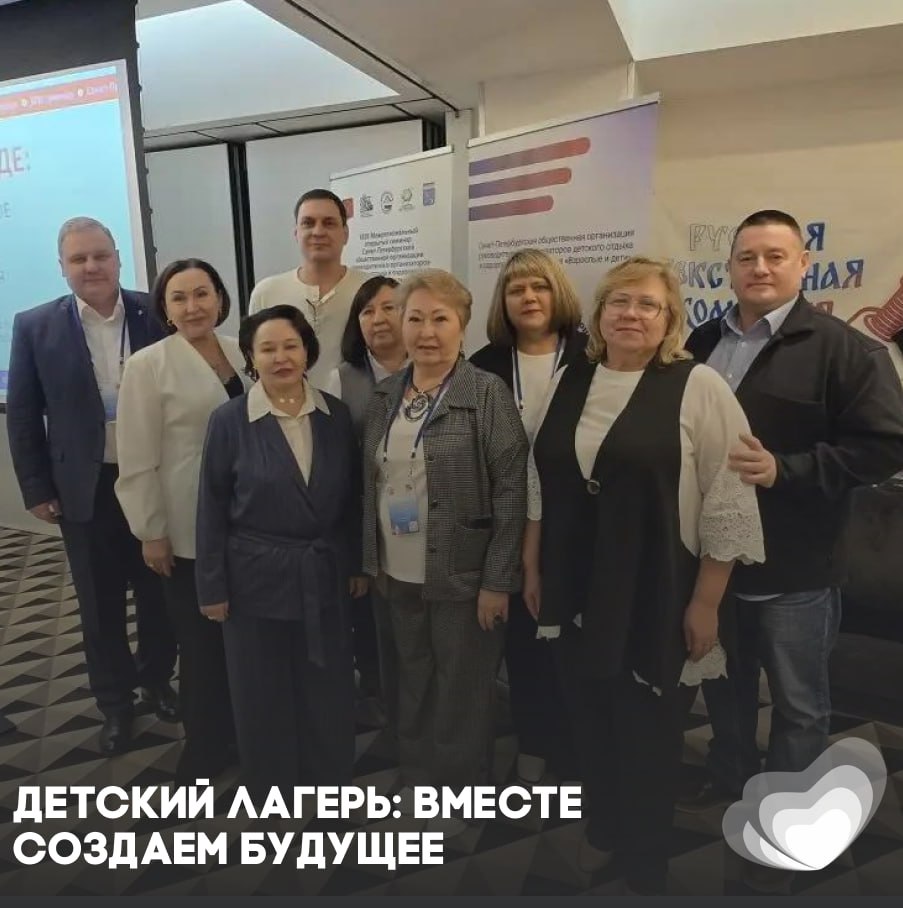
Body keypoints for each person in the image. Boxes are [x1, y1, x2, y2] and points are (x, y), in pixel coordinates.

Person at [524, 257, 764, 893]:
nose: (631, 314)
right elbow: (541, 478)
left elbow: (729, 499)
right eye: (619, 302)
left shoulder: (698, 386)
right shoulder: (572, 377)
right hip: (576, 584)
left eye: (648, 304)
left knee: (647, 731)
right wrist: (532, 563)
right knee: (590, 719)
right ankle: (604, 830)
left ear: (670, 319)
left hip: (659, 587)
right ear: (599, 314)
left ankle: (645, 856)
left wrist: (706, 603)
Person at [679, 210, 903, 884]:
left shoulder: (845, 349)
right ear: (729, 269)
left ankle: (784, 819)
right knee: (723, 689)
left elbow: (884, 447)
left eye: (775, 256)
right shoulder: (701, 340)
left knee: (800, 706)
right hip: (714, 565)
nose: (760, 268)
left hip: (796, 568)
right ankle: (728, 779)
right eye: (747, 256)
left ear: (803, 265)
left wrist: (788, 469)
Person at [361, 269, 528, 835]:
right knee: (410, 677)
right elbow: (370, 485)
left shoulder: (485, 394)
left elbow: (512, 492)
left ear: (462, 325)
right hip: (396, 570)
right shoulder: (385, 395)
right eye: (415, 318)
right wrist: (370, 561)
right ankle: (418, 776)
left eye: (440, 319)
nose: (426, 332)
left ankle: (458, 789)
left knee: (461, 684)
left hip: (464, 574)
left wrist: (497, 582)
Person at [6, 217, 178, 755]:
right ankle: (115, 704)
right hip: (85, 489)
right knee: (99, 607)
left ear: (118, 258)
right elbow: (23, 414)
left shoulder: (156, 312)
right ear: (62, 268)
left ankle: (155, 681)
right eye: (78, 259)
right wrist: (36, 488)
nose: (91, 267)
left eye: (100, 255)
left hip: (151, 482)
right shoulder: (34, 325)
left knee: (158, 596)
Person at [195, 305, 364, 803]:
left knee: (327, 687)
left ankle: (331, 783)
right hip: (253, 579)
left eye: (291, 345)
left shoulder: (334, 415)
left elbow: (351, 500)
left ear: (307, 351)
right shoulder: (229, 420)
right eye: (267, 348)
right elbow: (210, 508)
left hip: (324, 572)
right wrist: (212, 587)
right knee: (261, 694)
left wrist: (356, 564)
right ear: (250, 357)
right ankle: (274, 793)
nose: (281, 357)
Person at [115, 259, 250, 783]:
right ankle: (205, 750)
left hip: (250, 523)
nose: (193, 306)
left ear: (220, 298)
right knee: (200, 647)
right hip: (187, 526)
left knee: (243, 642)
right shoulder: (148, 365)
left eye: (202, 293)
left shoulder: (243, 350)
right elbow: (136, 456)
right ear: (165, 309)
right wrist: (151, 530)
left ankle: (244, 734)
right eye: (179, 298)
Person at [470, 248, 586, 784]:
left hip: (578, 523)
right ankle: (534, 746)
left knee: (575, 645)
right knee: (524, 644)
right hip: (509, 524)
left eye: (539, 286)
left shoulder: (592, 358)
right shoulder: (483, 366)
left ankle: (578, 751)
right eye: (517, 289)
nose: (529, 297)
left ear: (557, 292)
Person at [324, 275, 405, 717]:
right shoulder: (341, 380)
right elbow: (336, 471)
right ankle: (382, 699)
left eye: (390, 307)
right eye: (368, 311)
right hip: (366, 522)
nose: (379, 319)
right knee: (372, 622)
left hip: (425, 520)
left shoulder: (439, 369)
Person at [248, 188, 369, 388]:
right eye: (308, 223)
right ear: (296, 233)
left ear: (345, 234)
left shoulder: (370, 290)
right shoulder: (267, 293)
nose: (318, 232)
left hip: (359, 405)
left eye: (329, 223)